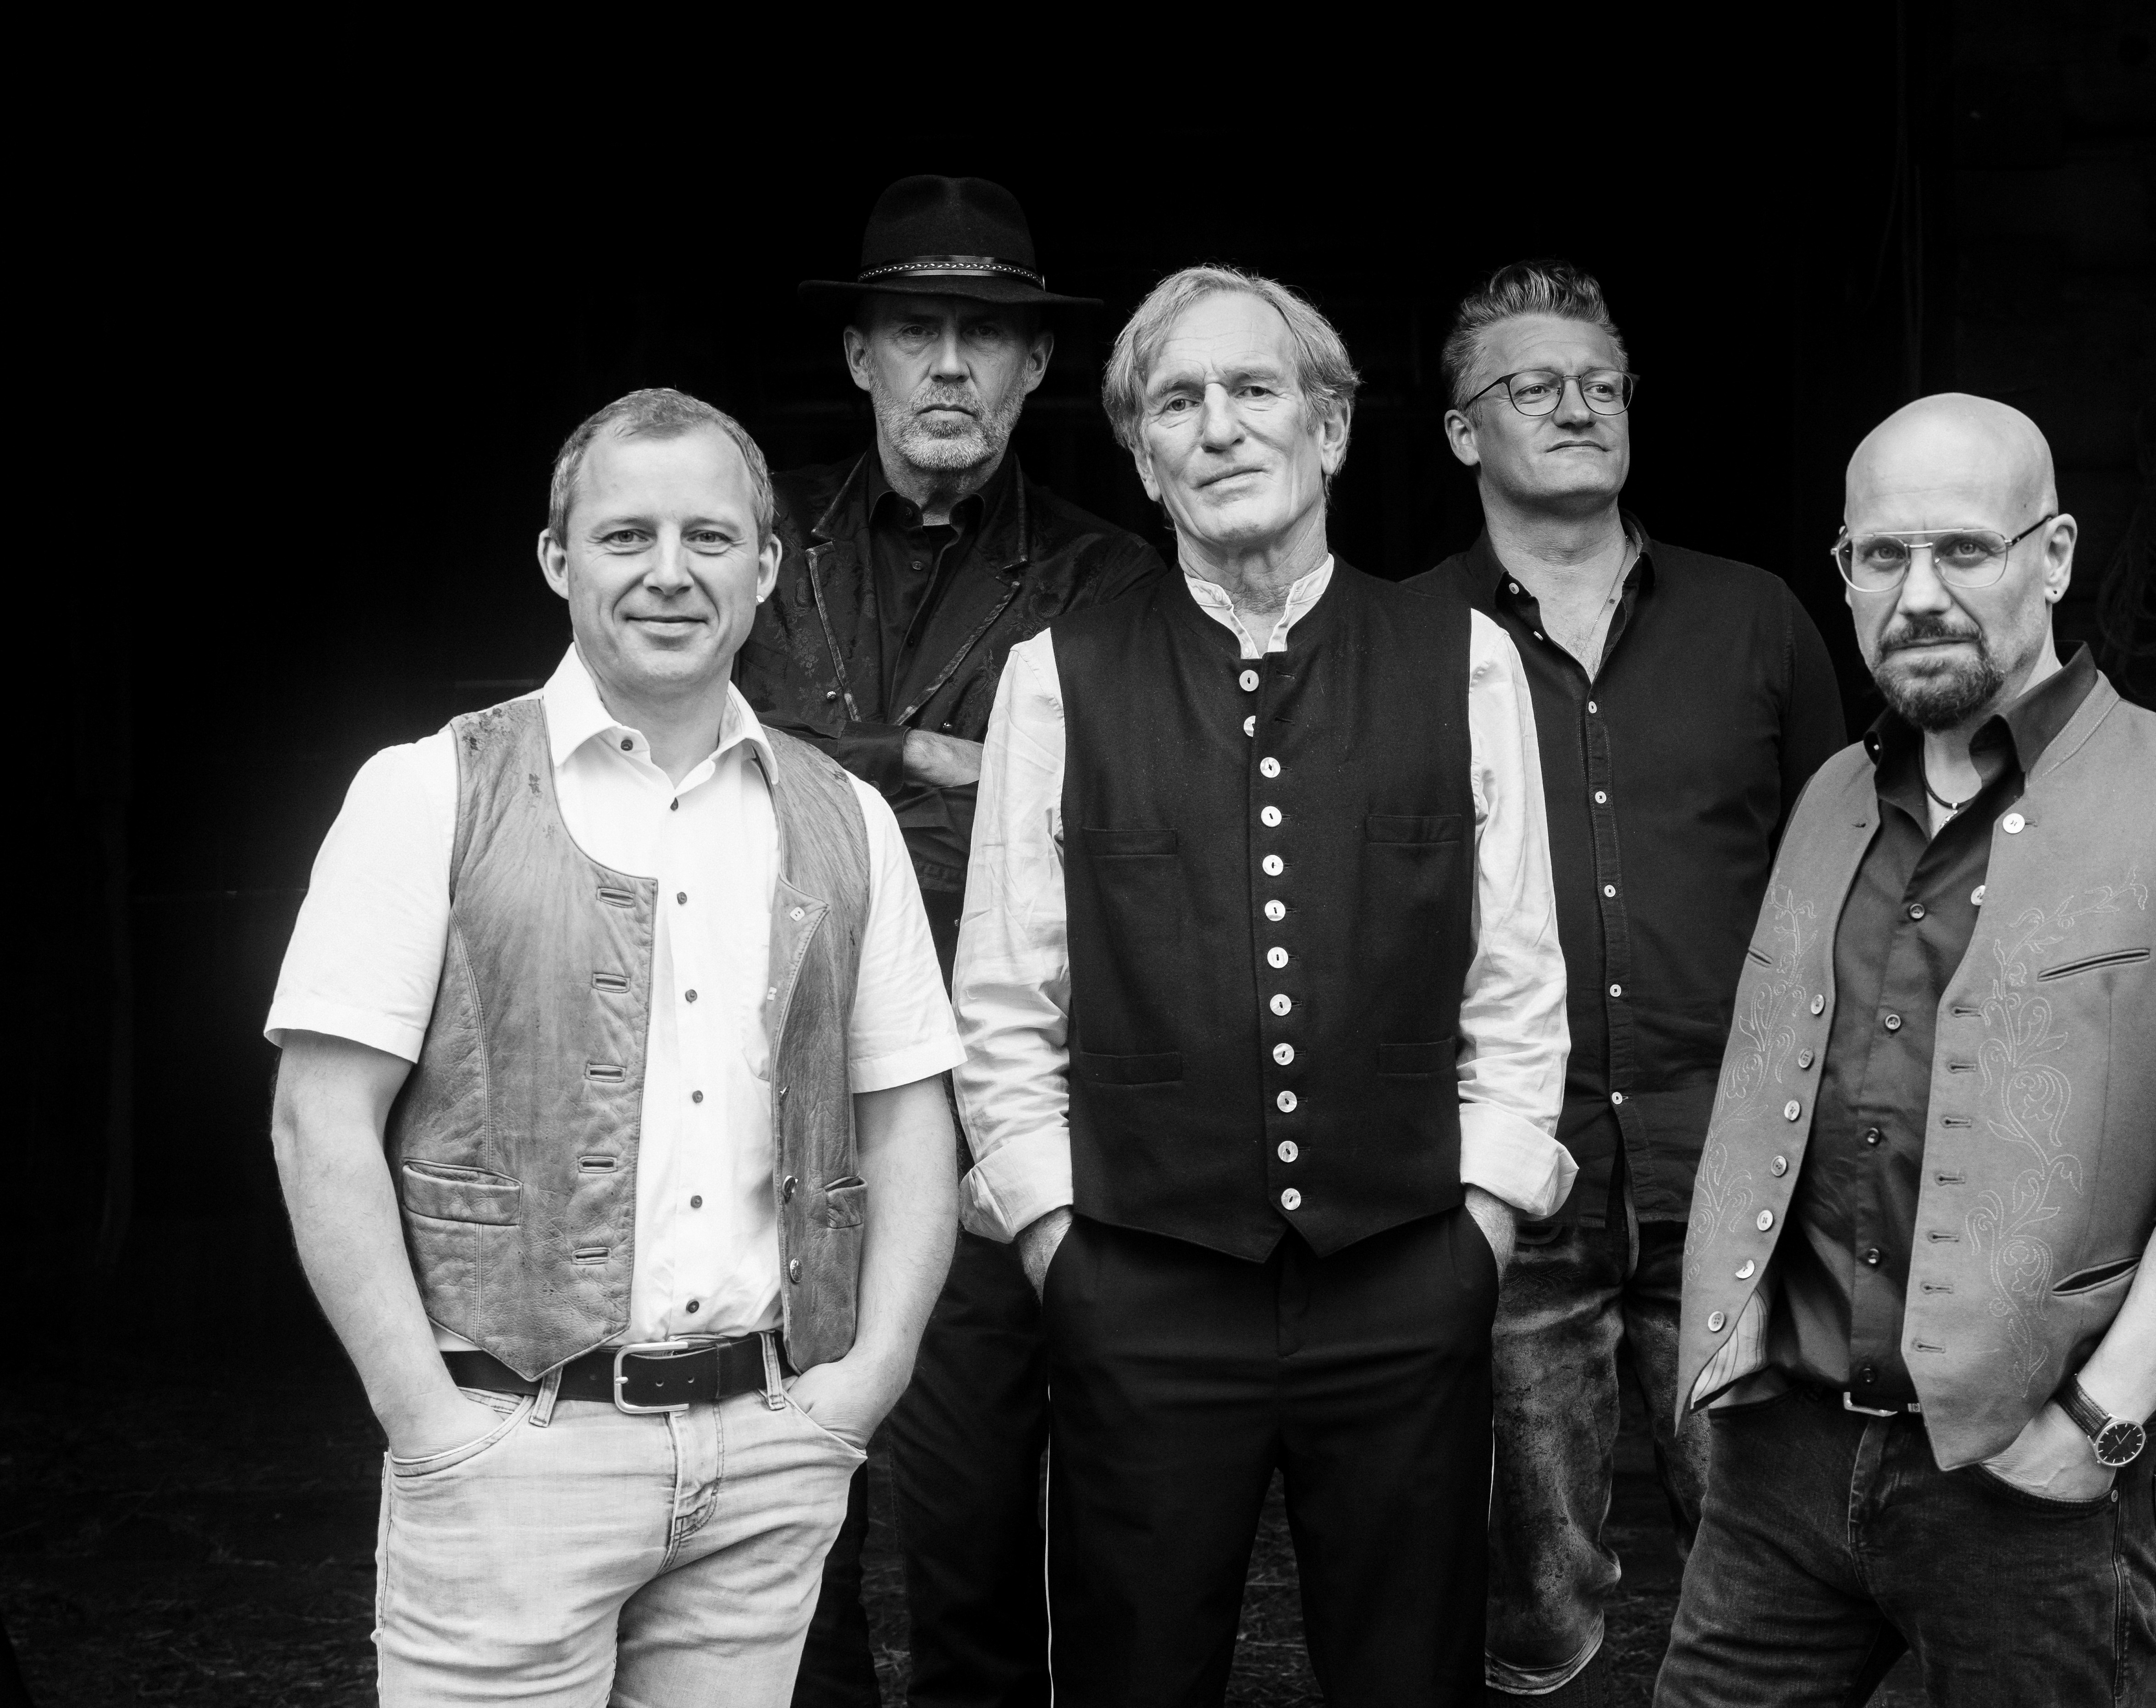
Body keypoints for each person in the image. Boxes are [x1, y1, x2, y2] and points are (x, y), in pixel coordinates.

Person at [266, 388, 963, 1704]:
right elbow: (320, 1119)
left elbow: (907, 1115)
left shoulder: (846, 815)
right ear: (557, 560)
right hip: (510, 1450)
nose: (669, 572)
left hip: (767, 1451)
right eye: (626, 535)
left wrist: (862, 1387)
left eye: (710, 537)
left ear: (767, 568)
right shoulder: (428, 790)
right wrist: (427, 1420)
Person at [953, 265, 1573, 1706]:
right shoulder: (1057, 676)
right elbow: (1006, 997)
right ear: (1143, 457)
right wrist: (1056, 1242)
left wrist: (1481, 1225)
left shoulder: (1466, 661)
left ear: (1330, 428)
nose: (1220, 427)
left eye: (1254, 389)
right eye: (1178, 403)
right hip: (1141, 1288)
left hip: (1405, 1276)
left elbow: (1518, 976)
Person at [1656, 394, 2156, 1706]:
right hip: (1781, 1468)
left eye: (1965, 549)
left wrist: (2096, 1425)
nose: (1920, 597)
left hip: (2028, 1481)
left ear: (2055, 556)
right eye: (1881, 557)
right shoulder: (1831, 795)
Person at [735, 175, 1164, 1708]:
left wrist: (813, 768)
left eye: (985, 337)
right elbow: (688, 772)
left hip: (978, 1098)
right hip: (744, 1084)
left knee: (976, 1516)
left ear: (1036, 367)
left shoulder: (1109, 579)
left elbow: (1097, 832)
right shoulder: (747, 540)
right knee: (773, 1529)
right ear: (860, 356)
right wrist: (918, 760)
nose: (948, 366)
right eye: (915, 331)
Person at [1408, 260, 1844, 1704]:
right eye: (1534, 385)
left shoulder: (1759, 620)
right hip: (1509, 1164)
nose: (1578, 407)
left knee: (1765, 1549)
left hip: (1735, 1163)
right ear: (1464, 430)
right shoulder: (1404, 642)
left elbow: (1844, 880)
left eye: (1602, 383)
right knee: (1532, 1593)